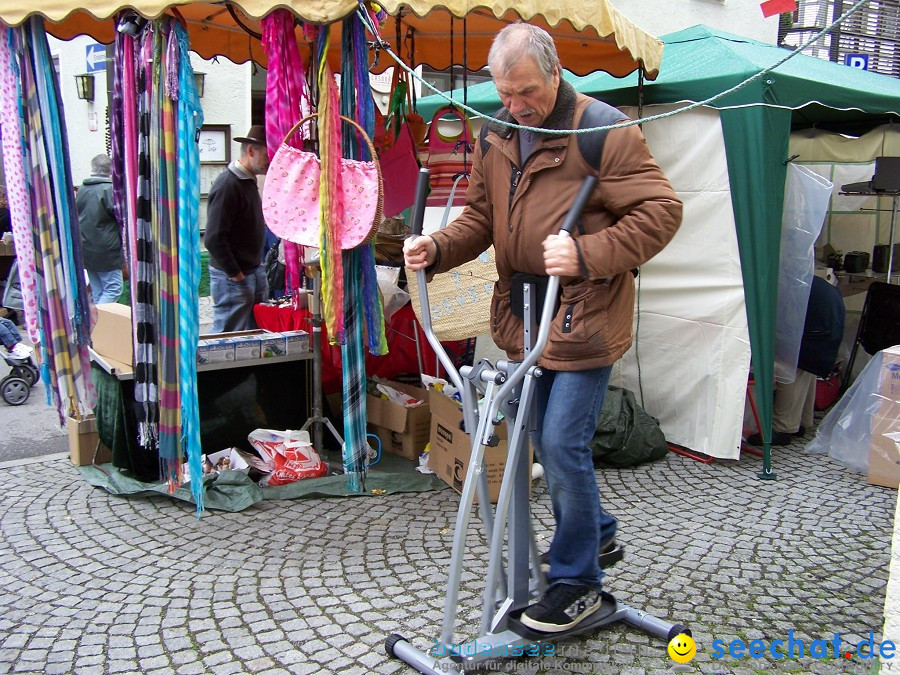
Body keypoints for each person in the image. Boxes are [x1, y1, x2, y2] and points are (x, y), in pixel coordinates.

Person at [404, 23, 682, 633]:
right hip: (524, 316)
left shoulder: (601, 127)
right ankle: (599, 530)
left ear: (554, 74)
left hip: (583, 310)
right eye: (504, 93)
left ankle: (577, 580)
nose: (515, 105)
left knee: (561, 443)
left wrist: (588, 252)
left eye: (525, 92)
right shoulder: (499, 129)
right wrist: (439, 246)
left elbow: (662, 211)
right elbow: (481, 215)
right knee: (530, 435)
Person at [748, 275, 845, 446]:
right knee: (807, 372)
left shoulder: (780, 284)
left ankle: (782, 428)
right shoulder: (804, 278)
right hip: (826, 332)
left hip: (813, 334)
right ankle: (801, 421)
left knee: (791, 372)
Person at [204, 125, 271, 333]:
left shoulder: (248, 182)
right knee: (228, 337)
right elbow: (213, 239)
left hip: (251, 270)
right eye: (267, 154)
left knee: (254, 333)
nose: (270, 160)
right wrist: (236, 274)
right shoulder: (228, 184)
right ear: (251, 151)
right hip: (233, 277)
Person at [76, 154, 123, 304]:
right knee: (113, 288)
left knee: (97, 290)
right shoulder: (110, 190)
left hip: (86, 245)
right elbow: (121, 216)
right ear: (111, 170)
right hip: (106, 248)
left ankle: (97, 324)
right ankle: (101, 323)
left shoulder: (82, 189)